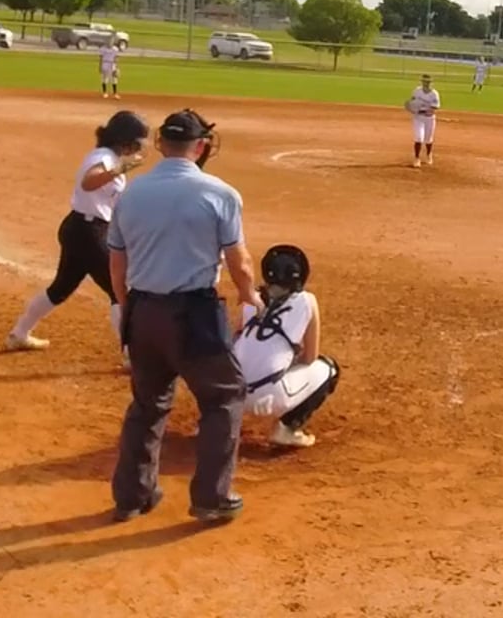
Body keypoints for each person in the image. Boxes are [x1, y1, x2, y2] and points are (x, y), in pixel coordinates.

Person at [109, 108, 259, 525]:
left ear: (160, 144)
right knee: (223, 397)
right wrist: (249, 295)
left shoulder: (130, 193)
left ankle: (132, 497)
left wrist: (127, 307)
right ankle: (211, 497)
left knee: (148, 403)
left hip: (143, 311)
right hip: (193, 315)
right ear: (201, 146)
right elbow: (240, 261)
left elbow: (117, 264)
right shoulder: (219, 193)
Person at [6, 110, 149, 355]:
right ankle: (131, 356)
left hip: (81, 229)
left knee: (60, 288)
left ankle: (19, 334)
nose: (138, 147)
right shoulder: (103, 157)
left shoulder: (110, 158)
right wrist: (119, 170)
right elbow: (89, 181)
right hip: (87, 232)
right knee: (119, 290)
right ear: (124, 139)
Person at [233, 244, 340, 449]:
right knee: (329, 368)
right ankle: (287, 429)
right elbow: (310, 357)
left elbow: (236, 338)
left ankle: (220, 423)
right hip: (268, 398)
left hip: (230, 393)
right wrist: (287, 360)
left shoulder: (251, 297)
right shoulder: (307, 301)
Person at [406, 74, 440, 168]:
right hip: (418, 118)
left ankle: (429, 154)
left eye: (428, 82)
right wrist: (412, 108)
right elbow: (412, 102)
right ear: (422, 82)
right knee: (418, 138)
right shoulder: (417, 91)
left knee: (428, 139)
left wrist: (422, 110)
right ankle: (417, 158)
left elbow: (434, 108)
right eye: (424, 82)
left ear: (431, 83)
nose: (426, 83)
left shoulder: (434, 94)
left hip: (429, 119)